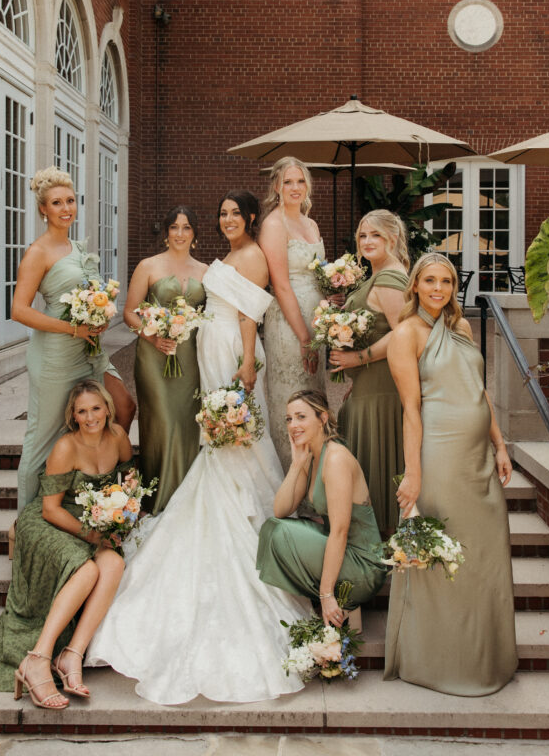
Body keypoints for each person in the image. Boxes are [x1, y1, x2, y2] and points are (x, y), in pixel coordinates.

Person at [86, 190, 312, 705]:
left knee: (228, 440)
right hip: (198, 350)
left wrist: (249, 361)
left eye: (236, 213)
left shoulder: (251, 254)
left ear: (251, 218)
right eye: (223, 214)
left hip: (228, 348)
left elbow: (251, 313)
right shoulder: (226, 256)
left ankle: (245, 509)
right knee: (206, 434)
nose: (227, 219)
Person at [384, 254, 518, 696]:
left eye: (446, 281)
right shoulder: (406, 334)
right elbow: (410, 410)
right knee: (446, 555)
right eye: (430, 281)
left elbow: (479, 392)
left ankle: (486, 658)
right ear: (416, 286)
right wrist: (414, 473)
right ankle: (440, 662)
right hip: (440, 456)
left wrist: (499, 445)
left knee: (484, 554)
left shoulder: (461, 328)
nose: (439, 289)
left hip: (479, 456)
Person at [0, 380, 133, 707]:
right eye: (82, 411)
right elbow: (49, 509)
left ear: (108, 409)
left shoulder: (119, 438)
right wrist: (93, 534)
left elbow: (127, 479)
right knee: (85, 571)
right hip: (48, 521)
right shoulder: (66, 447)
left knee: (114, 564)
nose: (90, 417)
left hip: (93, 519)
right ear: (73, 416)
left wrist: (123, 511)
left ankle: (71, 655)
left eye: (96, 408)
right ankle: (37, 658)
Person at [12, 167, 135, 511]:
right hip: (55, 355)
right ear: (43, 209)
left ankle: (99, 497)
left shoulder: (75, 247)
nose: (66, 208)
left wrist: (100, 310)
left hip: (89, 351)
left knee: (123, 405)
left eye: (70, 200)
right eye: (56, 203)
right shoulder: (39, 252)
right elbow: (19, 310)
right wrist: (72, 329)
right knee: (42, 439)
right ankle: (24, 525)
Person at [256, 390, 385, 625]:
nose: (293, 425)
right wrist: (296, 465)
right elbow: (280, 510)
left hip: (363, 565)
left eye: (301, 417)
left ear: (323, 418)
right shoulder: (312, 457)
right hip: (344, 553)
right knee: (274, 527)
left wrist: (326, 595)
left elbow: (340, 531)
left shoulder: (335, 458)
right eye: (289, 418)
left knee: (279, 533)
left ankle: (321, 596)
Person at [330, 210, 409, 536]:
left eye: (375, 235)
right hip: (368, 387)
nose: (367, 241)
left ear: (392, 238)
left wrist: (357, 359)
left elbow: (404, 335)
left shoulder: (390, 277)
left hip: (382, 391)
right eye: (362, 236)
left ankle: (382, 543)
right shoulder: (377, 276)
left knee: (377, 464)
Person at [124, 205, 207, 512]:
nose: (180, 234)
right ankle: (157, 500)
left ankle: (182, 500)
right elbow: (128, 312)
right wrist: (153, 335)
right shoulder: (148, 266)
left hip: (188, 359)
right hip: (153, 357)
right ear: (166, 232)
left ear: (194, 233)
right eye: (174, 227)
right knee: (162, 421)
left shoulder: (205, 271)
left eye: (186, 227)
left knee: (186, 424)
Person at [259, 157, 325, 471]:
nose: (295, 188)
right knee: (292, 395)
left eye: (300, 181)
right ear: (276, 186)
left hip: (317, 320)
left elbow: (320, 275)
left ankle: (315, 474)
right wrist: (304, 337)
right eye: (288, 182)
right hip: (289, 324)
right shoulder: (274, 224)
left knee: (313, 396)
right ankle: (290, 475)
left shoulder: (311, 223)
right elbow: (281, 285)